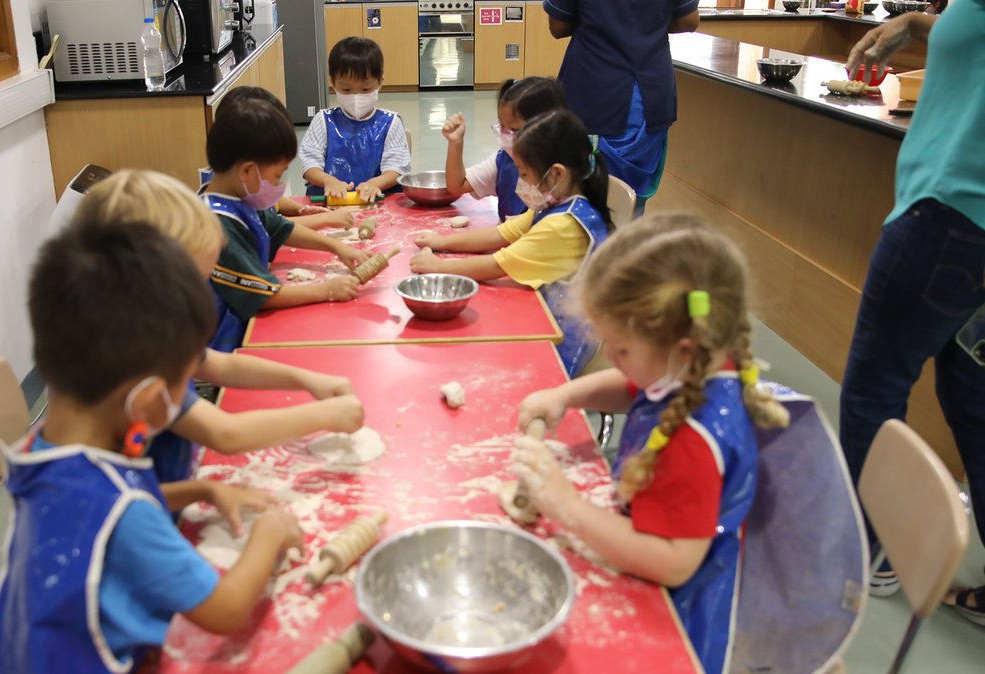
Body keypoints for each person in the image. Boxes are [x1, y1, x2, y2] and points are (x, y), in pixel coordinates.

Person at [0, 222, 304, 674]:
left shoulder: (42, 443)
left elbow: (96, 514)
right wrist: (271, 535)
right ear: (147, 402)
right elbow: (224, 610)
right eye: (186, 382)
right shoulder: (129, 517)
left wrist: (201, 491)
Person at [513, 214, 789, 674]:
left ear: (680, 349)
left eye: (619, 349)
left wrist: (567, 506)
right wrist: (566, 394)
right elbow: (633, 386)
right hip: (656, 555)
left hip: (675, 619)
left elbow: (675, 562)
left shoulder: (692, 442)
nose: (614, 359)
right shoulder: (691, 365)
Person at [74, 169, 366, 506]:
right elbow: (226, 435)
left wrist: (309, 380)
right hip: (127, 532)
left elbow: (216, 364)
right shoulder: (131, 363)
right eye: (195, 280)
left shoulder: (146, 326)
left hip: (161, 494)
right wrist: (327, 416)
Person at [840, 4, 985, 625]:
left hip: (947, 218)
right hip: (971, 227)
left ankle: (868, 548)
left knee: (873, 391)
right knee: (976, 403)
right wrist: (914, 23)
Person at [411, 109, 613, 374]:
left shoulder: (563, 225)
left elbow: (497, 265)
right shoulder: (554, 204)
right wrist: (442, 242)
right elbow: (502, 234)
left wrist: (436, 267)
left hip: (561, 342)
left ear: (556, 174)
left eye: (525, 175)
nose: (521, 183)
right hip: (543, 316)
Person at [202, 97, 373, 352]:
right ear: (247, 171)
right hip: (220, 348)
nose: (280, 185)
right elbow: (261, 296)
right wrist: (326, 290)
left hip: (244, 329)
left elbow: (282, 228)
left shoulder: (239, 197)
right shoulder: (217, 226)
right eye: (277, 176)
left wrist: (337, 247)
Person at [542, 0, 699, 208]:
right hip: (647, 94)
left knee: (584, 193)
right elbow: (688, 20)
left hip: (593, 90)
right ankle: (627, 237)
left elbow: (558, 25)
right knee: (632, 200)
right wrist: (647, 26)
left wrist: (599, 23)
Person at [212, 87, 358, 231]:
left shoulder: (243, 181)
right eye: (277, 176)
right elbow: (271, 227)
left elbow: (274, 205)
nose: (279, 184)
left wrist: (301, 209)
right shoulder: (224, 216)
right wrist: (324, 220)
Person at [300, 36, 412, 201]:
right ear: (332, 82)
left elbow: (397, 167)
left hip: (378, 203)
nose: (356, 96)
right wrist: (329, 181)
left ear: (380, 82)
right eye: (346, 89)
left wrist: (376, 183)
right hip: (329, 204)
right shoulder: (323, 121)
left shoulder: (390, 123)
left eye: (366, 89)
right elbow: (309, 164)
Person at [441, 77, 569, 221]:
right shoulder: (504, 159)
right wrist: (456, 143)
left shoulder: (563, 175)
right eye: (502, 127)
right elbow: (457, 185)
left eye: (514, 129)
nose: (506, 136)